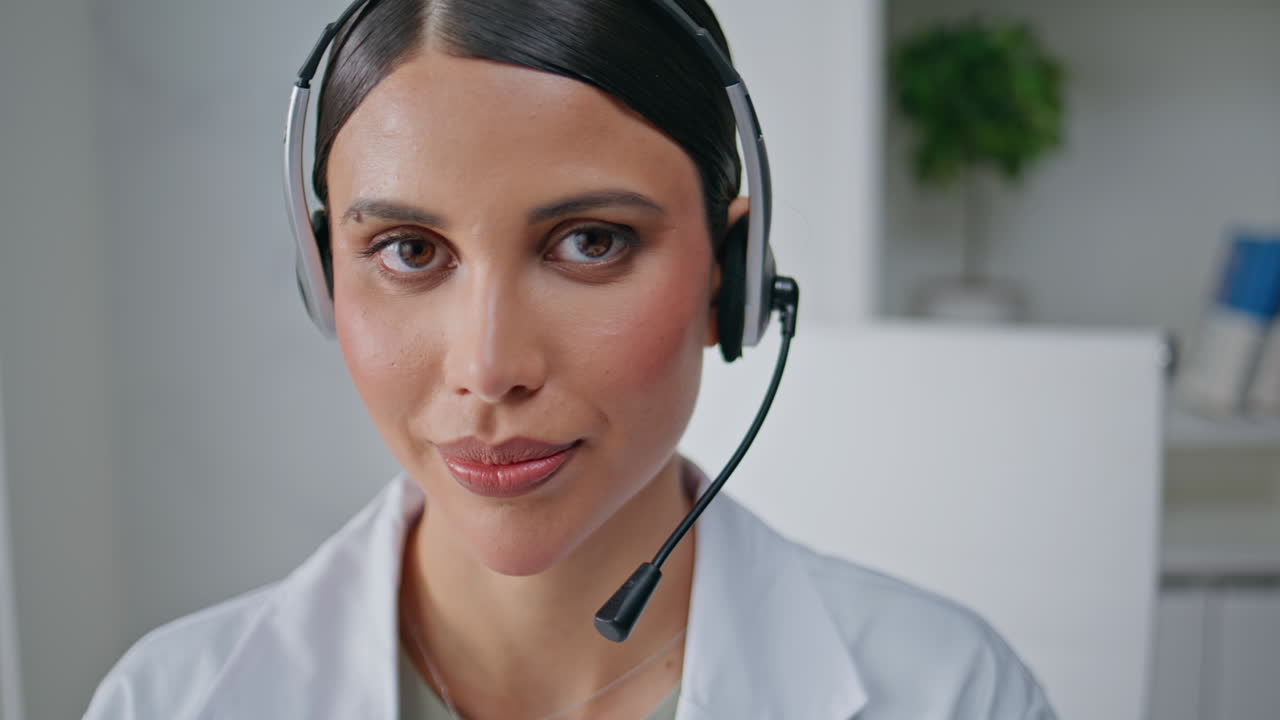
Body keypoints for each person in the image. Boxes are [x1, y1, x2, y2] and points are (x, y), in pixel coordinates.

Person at [84, 0, 1056, 717]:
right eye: (409, 252)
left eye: (589, 242)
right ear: (322, 275)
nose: (489, 366)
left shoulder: (950, 693)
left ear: (733, 275)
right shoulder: (166, 702)